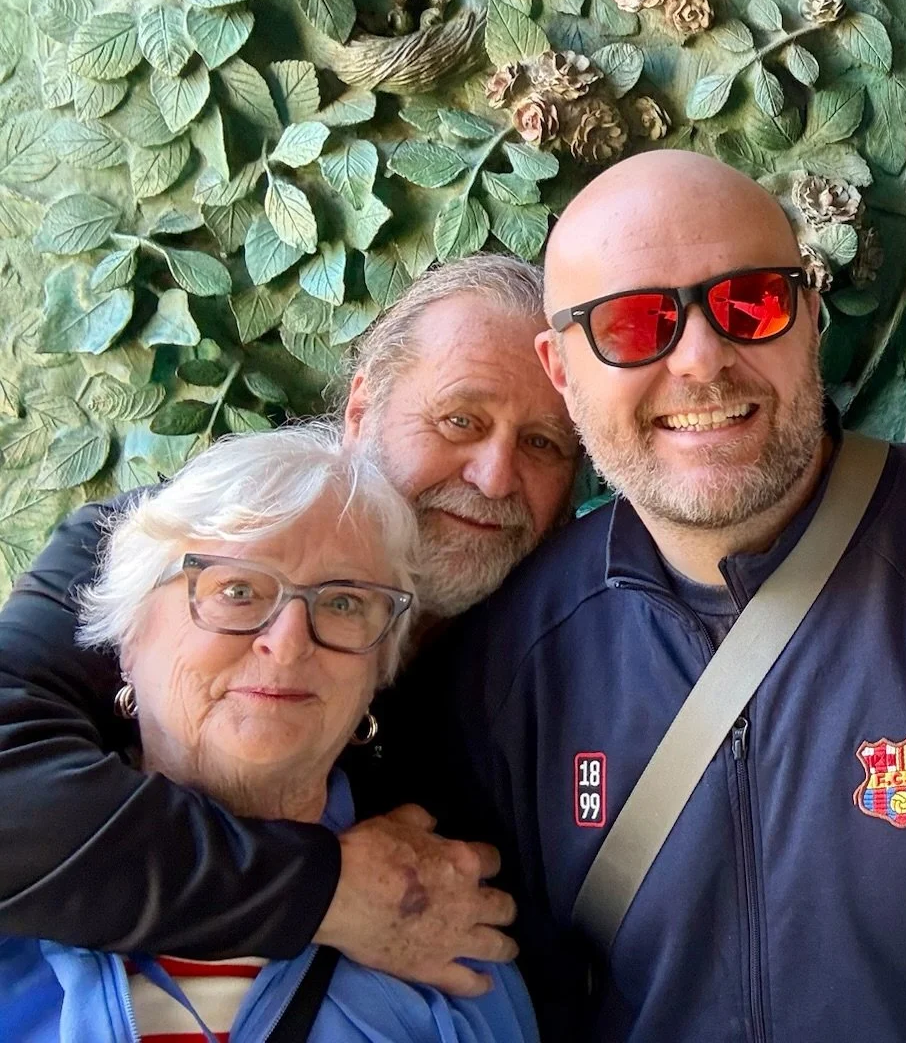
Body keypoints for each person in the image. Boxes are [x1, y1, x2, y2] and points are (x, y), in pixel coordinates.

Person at [420, 150, 906, 1041]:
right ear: (561, 368)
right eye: (637, 326)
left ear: (809, 316)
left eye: (748, 302)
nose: (702, 360)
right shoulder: (520, 652)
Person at [0, 254, 578, 991]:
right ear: (363, 412)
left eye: (542, 444)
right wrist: (325, 892)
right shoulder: (171, 552)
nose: (495, 476)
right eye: (459, 420)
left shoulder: (563, 640)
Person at [0, 423, 538, 1042]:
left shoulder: (444, 947)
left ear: (377, 672)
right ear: (127, 639)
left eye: (342, 603)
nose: (286, 645)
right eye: (236, 590)